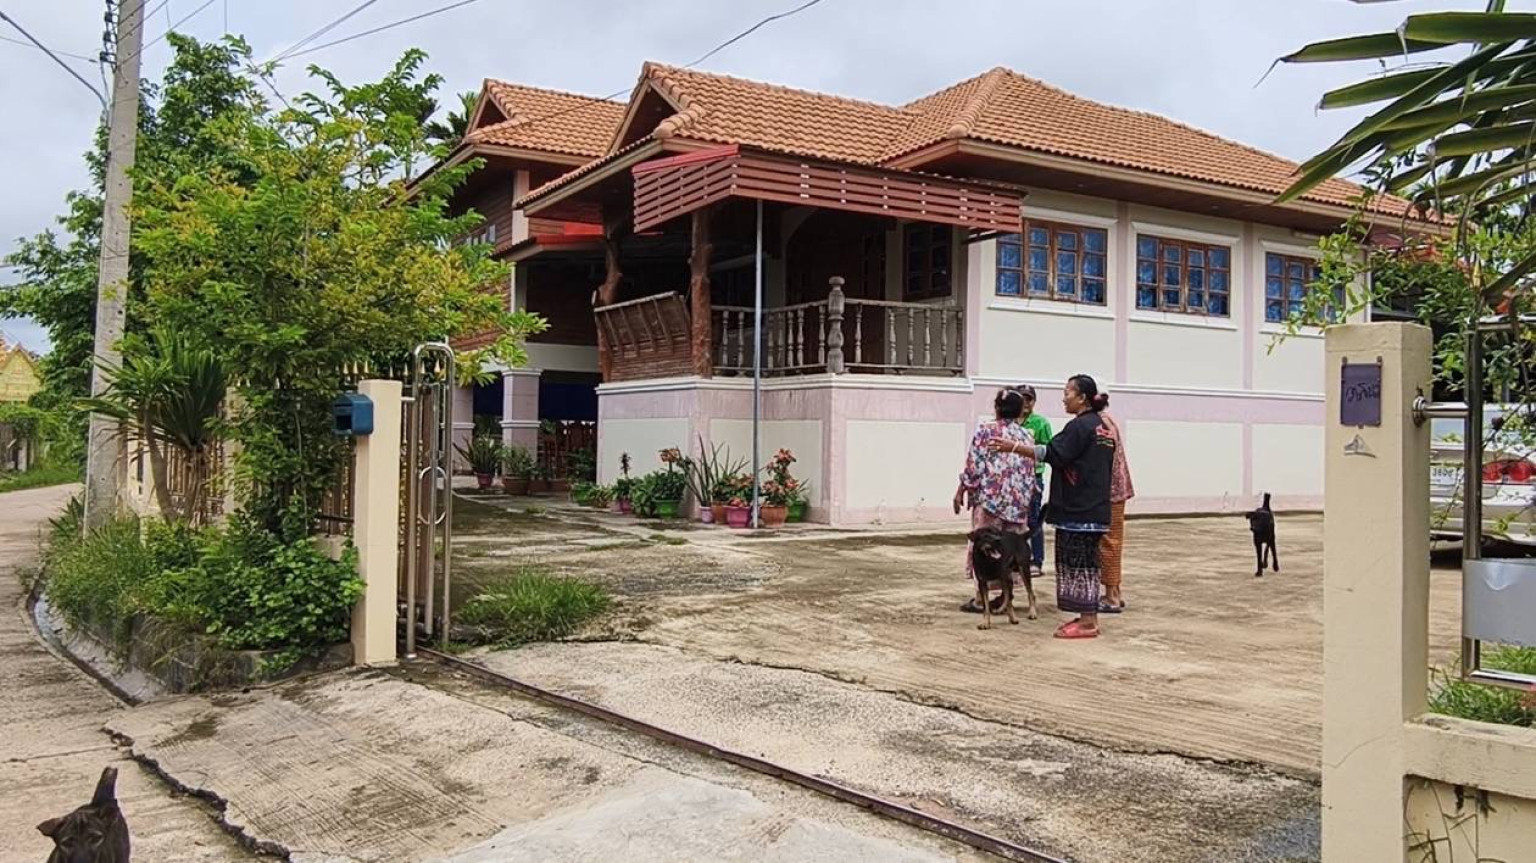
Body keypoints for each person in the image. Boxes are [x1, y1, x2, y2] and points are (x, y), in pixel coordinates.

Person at [991, 373, 1113, 638]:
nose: (1064, 398)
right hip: (1094, 508)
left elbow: (1053, 453)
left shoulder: (1080, 426)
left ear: (1082, 398)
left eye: (1068, 393)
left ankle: (1088, 622)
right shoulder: (1102, 427)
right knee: (1087, 566)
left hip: (1079, 510)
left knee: (1079, 566)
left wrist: (1014, 447)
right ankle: (1086, 615)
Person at [955, 388, 1036, 614]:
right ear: (1020, 410)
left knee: (984, 547)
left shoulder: (985, 431)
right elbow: (1031, 469)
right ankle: (1005, 596)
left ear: (997, 408)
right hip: (1017, 503)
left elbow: (974, 466)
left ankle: (981, 598)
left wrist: (962, 490)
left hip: (990, 501)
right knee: (1009, 550)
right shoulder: (1026, 436)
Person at [1097, 403, 1134, 613]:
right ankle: (1115, 592)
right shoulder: (1108, 420)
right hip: (1116, 489)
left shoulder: (1101, 424)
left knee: (1108, 541)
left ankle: (1111, 595)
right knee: (1113, 540)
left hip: (1109, 490)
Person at [1014, 384, 1053, 577]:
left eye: (1029, 399)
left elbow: (1049, 450)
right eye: (1022, 398)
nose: (1025, 403)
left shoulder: (1040, 423)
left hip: (1032, 477)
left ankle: (1036, 561)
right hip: (1012, 477)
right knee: (1013, 520)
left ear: (1034, 401)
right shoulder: (1010, 422)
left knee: (1033, 519)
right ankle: (1015, 559)